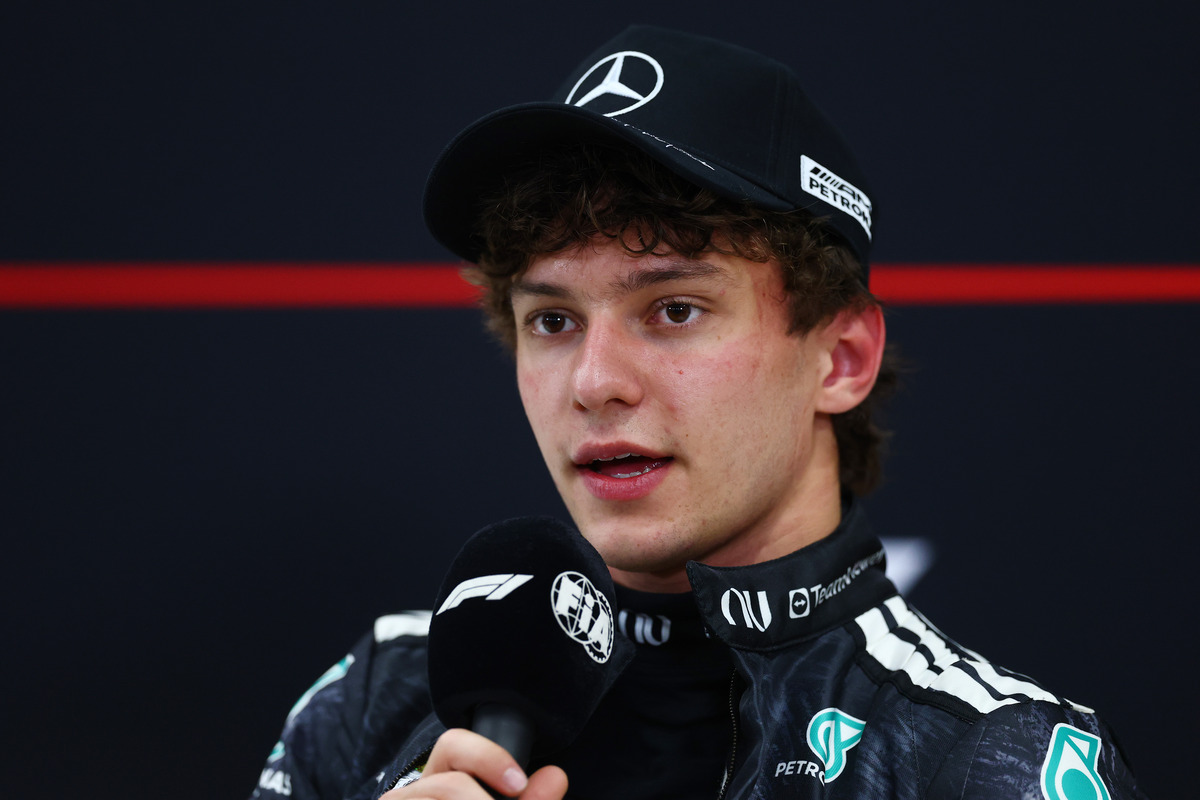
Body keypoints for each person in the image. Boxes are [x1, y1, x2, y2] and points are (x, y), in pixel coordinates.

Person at [251, 25, 1146, 800]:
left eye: (674, 309)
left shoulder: (985, 760)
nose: (595, 382)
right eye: (554, 320)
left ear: (842, 359)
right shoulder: (378, 702)